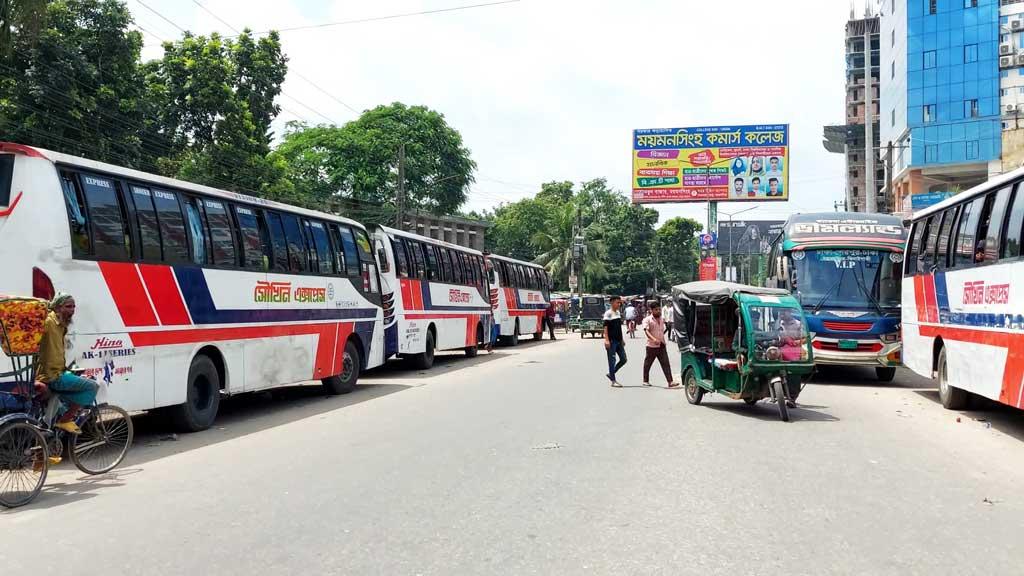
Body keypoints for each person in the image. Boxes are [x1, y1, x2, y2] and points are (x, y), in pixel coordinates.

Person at [35, 293, 98, 435]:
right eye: (68, 306)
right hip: (53, 376)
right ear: (57, 308)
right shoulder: (49, 322)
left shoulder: (61, 325)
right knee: (92, 386)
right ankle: (65, 419)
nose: (72, 310)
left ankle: (47, 436)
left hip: (55, 372)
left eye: (74, 307)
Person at [641, 301, 678, 388]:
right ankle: (645, 380)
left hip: (661, 344)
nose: (658, 311)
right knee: (648, 363)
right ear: (651, 310)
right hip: (651, 346)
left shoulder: (661, 319)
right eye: (656, 310)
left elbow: (664, 329)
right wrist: (653, 339)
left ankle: (670, 381)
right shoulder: (647, 320)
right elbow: (646, 331)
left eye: (659, 309)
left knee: (665, 363)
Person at [603, 296, 627, 387]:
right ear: (612, 303)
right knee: (612, 361)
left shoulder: (617, 313)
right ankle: (613, 380)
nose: (619, 304)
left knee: (624, 359)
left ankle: (611, 373)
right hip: (612, 341)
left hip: (618, 340)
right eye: (617, 302)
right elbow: (605, 327)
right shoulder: (608, 314)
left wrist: (622, 339)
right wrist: (606, 340)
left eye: (620, 302)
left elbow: (619, 328)